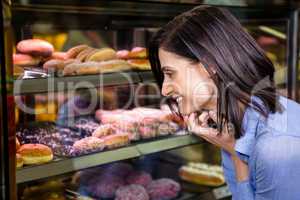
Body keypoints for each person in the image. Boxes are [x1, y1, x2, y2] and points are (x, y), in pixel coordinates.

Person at [148, 5, 300, 200]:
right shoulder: (235, 124)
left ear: (209, 66)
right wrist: (234, 153)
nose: (164, 89)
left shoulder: (277, 148)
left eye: (170, 73)